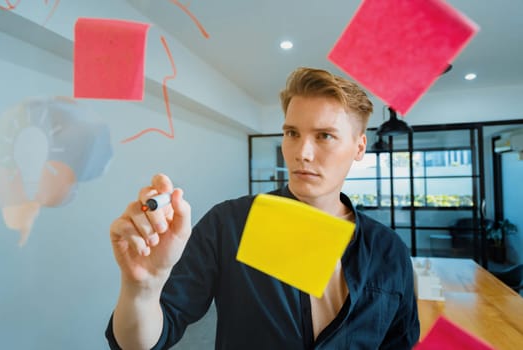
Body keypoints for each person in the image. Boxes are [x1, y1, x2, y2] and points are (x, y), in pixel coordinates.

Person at [105, 67, 420, 349]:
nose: (302, 153)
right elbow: (144, 342)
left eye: (324, 136)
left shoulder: (388, 250)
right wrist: (141, 289)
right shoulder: (229, 224)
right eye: (292, 133)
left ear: (359, 146)